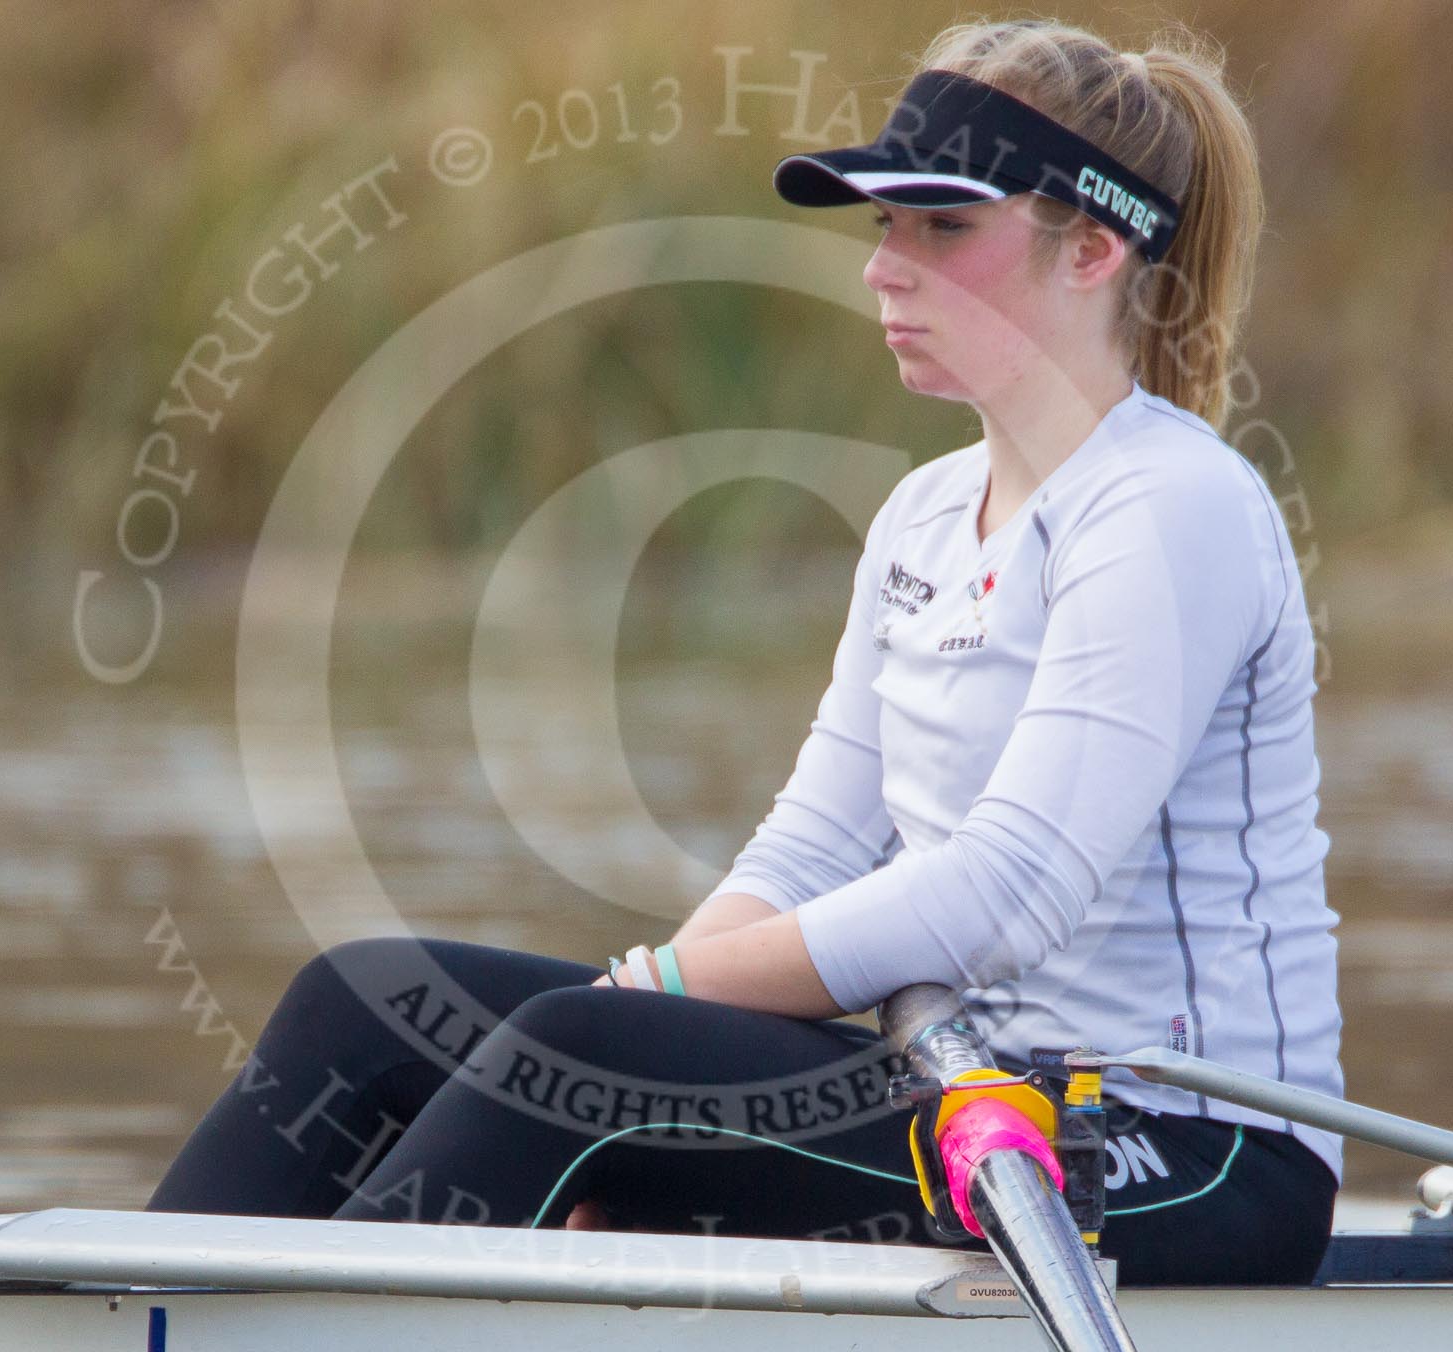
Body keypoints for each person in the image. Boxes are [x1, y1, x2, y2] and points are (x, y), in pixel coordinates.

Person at [147, 17, 1343, 1286]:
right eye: (883, 226)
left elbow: (1010, 888)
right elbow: (812, 849)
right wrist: (656, 1015)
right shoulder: (924, 515)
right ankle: (135, 1302)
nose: (886, 269)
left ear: (1096, 247)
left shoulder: (1173, 506)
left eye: (943, 227)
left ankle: (282, 1321)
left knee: (578, 1063)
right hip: (961, 1091)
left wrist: (652, 1011)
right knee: (365, 1003)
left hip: (1188, 1147)